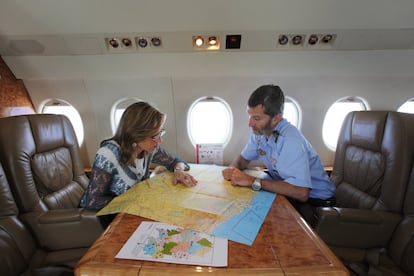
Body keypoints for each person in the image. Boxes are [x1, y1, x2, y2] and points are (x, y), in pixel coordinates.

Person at [222, 84, 335, 225]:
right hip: (288, 191)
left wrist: (252, 181)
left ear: (276, 118)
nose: (250, 124)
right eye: (250, 116)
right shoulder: (260, 133)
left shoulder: (291, 141)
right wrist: (232, 170)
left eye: (256, 119)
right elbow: (242, 160)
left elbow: (301, 193)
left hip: (316, 203)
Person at [80, 101, 197, 215]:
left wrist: (178, 171)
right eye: (155, 136)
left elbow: (177, 161)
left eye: (160, 133)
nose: (160, 140)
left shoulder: (147, 149)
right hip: (104, 217)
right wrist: (136, 200)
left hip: (132, 210)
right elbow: (93, 201)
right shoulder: (108, 153)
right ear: (136, 134)